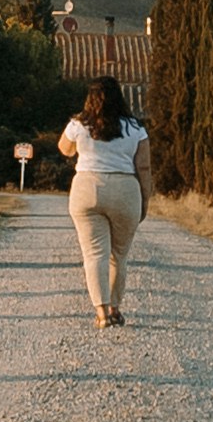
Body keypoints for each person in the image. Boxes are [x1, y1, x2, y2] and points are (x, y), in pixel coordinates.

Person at [59, 72, 147, 328]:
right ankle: (115, 308)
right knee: (119, 255)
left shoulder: (79, 124)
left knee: (94, 254)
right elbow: (144, 167)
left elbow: (64, 148)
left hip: (86, 188)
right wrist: (145, 200)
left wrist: (81, 145)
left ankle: (101, 313)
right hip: (125, 190)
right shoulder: (135, 128)